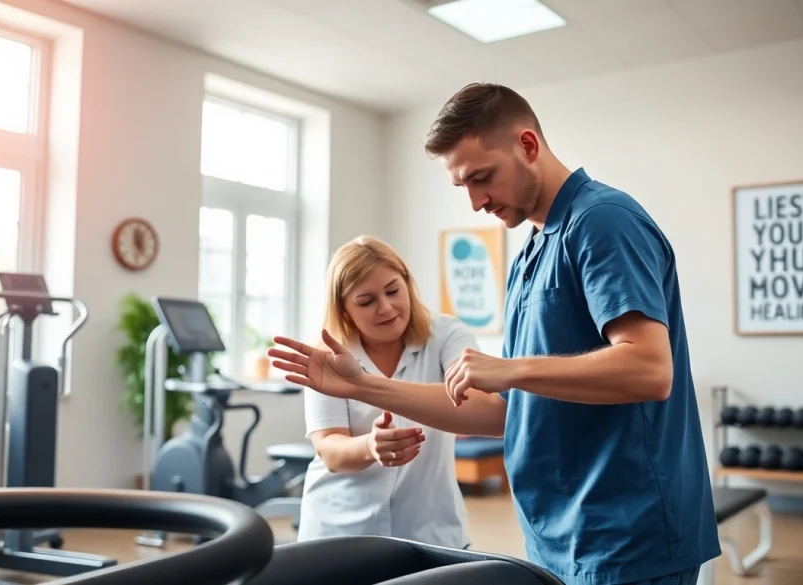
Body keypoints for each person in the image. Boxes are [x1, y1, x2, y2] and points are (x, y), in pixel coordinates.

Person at [270, 83, 719, 585]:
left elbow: (649, 369)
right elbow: (503, 412)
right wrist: (362, 387)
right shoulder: (531, 253)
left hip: (626, 533)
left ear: (528, 146)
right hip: (560, 531)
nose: (477, 202)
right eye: (463, 186)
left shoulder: (601, 222)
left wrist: (509, 369)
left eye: (483, 178)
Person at [294, 235, 480, 550]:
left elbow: (476, 406)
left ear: (407, 282)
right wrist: (369, 446)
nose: (386, 307)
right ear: (343, 309)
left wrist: (373, 388)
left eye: (393, 291)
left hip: (430, 529)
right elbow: (329, 449)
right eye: (366, 301)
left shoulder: (448, 335)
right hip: (340, 530)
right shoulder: (328, 357)